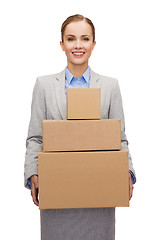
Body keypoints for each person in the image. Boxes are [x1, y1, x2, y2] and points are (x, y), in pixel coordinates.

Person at [24, 14, 136, 240]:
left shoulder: (110, 86)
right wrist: (33, 172)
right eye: (71, 39)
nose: (78, 45)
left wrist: (127, 171)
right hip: (57, 190)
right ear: (62, 44)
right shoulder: (44, 86)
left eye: (85, 39)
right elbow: (35, 137)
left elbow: (119, 138)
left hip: (99, 190)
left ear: (94, 44)